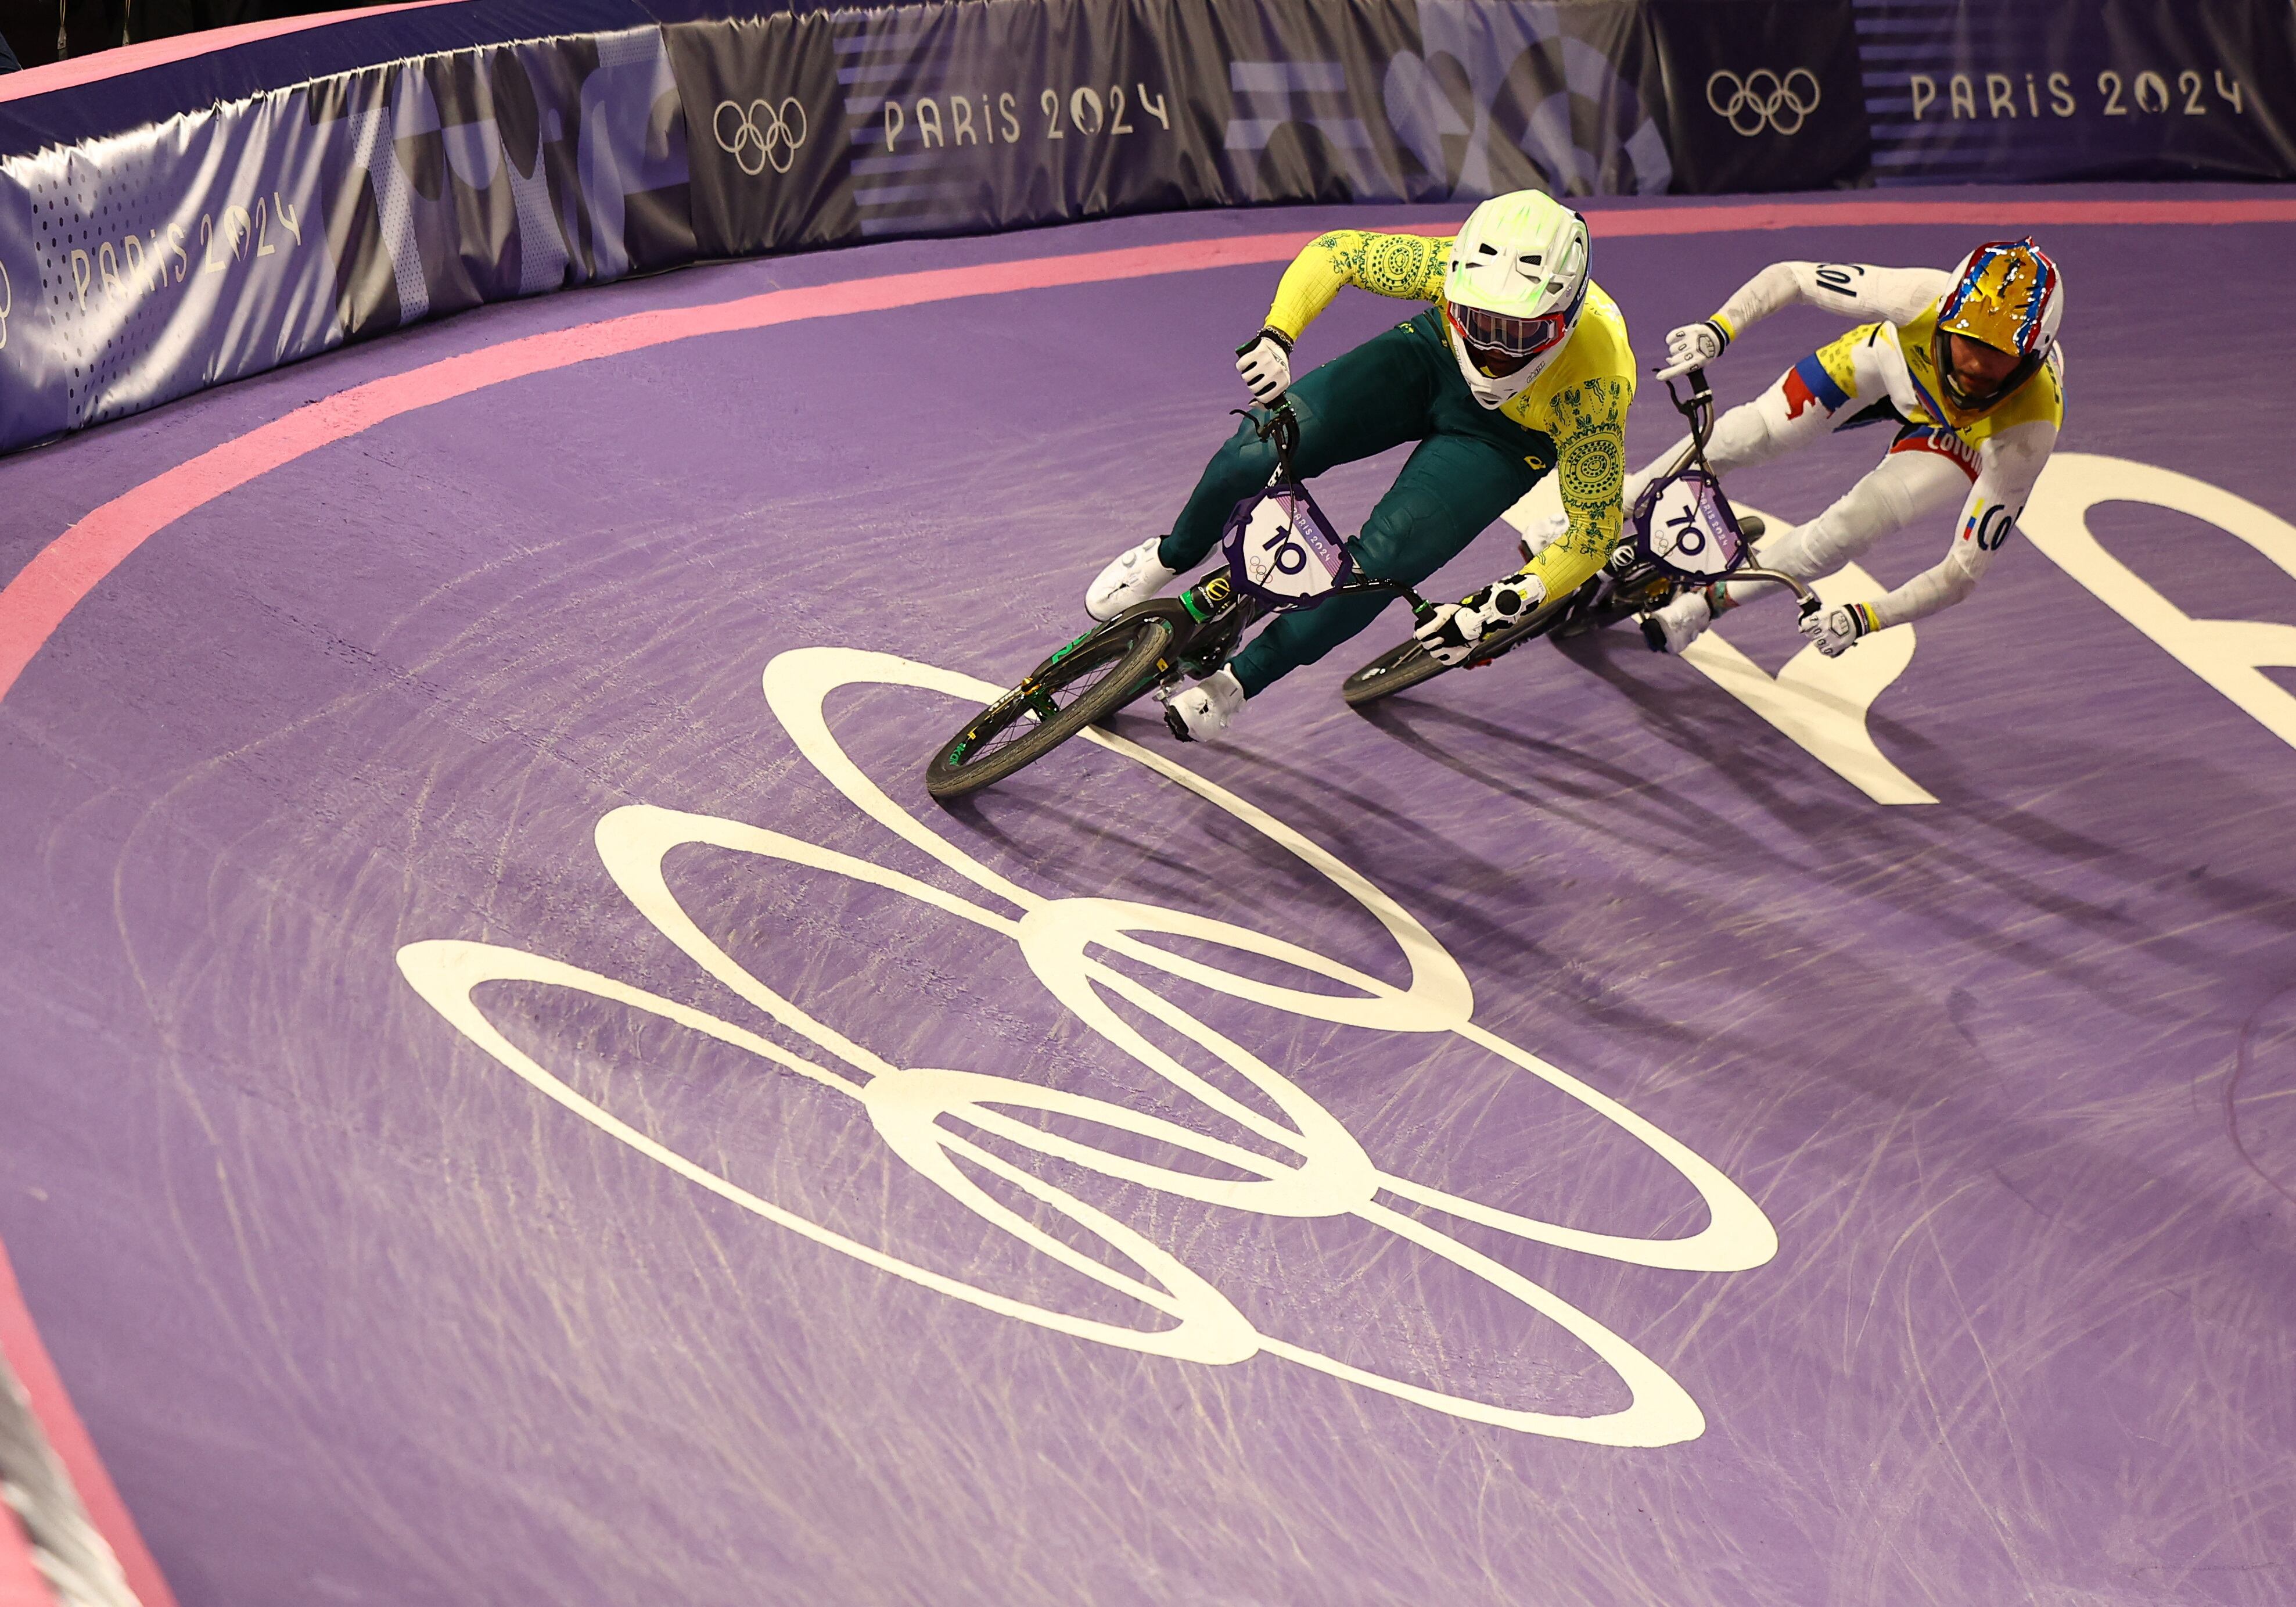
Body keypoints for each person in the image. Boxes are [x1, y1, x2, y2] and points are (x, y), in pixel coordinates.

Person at [1082, 190, 1636, 740]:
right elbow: (1337, 252)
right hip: (1432, 358)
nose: (1492, 350)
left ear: (1565, 316)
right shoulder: (1452, 269)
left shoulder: (1597, 389)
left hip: (1509, 439)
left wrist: (1508, 602)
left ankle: (1238, 682)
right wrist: (1279, 335)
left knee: (1382, 567)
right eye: (1479, 320)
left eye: (1517, 333)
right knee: (1253, 450)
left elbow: (1594, 533)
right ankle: (1173, 552)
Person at [1626, 240, 2064, 658]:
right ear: (1945, 314)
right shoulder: (1916, 297)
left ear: (2033, 360)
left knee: (1844, 532)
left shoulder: (2027, 434)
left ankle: (1704, 605)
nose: (1974, 364)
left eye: (1998, 354)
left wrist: (1865, 618)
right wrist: (1718, 329)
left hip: (1963, 437)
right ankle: (1619, 504)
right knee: (1746, 434)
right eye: (1968, 338)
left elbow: (1961, 574)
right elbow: (1792, 277)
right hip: (1892, 369)